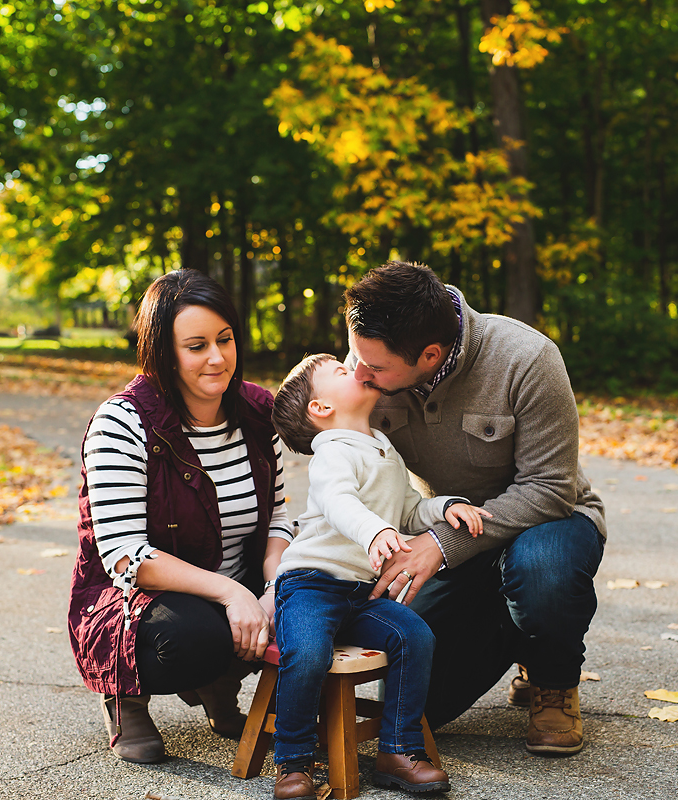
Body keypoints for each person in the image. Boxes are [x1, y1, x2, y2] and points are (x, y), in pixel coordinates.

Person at [343, 261, 607, 755]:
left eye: (374, 369)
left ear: (430, 354)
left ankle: (552, 676)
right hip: (451, 522)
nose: (359, 375)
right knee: (415, 704)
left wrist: (439, 547)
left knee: (542, 575)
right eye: (357, 358)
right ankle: (524, 631)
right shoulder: (373, 360)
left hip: (550, 521)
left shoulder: (527, 358)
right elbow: (342, 454)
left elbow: (550, 488)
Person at [68, 270, 295, 763]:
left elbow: (277, 516)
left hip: (239, 587)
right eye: (196, 346)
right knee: (194, 637)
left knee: (312, 602)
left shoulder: (259, 412)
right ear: (163, 353)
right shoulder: (123, 422)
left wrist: (276, 588)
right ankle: (125, 695)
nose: (217, 357)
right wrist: (233, 594)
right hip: (143, 601)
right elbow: (125, 557)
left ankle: (218, 683)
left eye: (225, 339)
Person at [268, 354, 488, 799]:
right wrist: (376, 532)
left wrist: (444, 507)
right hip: (312, 583)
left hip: (362, 593)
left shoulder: (383, 447)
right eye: (342, 372)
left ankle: (398, 750)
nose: (358, 369)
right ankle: (294, 762)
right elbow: (338, 502)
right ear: (321, 409)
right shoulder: (332, 452)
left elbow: (408, 508)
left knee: (415, 636)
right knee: (309, 653)